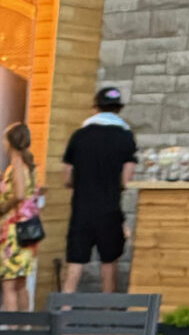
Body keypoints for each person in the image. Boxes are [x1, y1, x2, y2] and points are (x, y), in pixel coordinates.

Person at [58, 86, 135, 295]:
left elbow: (67, 177)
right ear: (118, 109)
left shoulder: (79, 136)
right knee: (109, 261)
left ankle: (62, 312)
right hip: (109, 208)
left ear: (95, 108)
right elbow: (125, 179)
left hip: (82, 207)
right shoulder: (126, 137)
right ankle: (107, 314)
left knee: (75, 262)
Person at [0, 122, 43, 311]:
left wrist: (0, 209)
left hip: (13, 232)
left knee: (8, 284)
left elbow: (19, 194)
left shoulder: (16, 164)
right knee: (21, 285)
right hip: (27, 230)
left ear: (9, 142)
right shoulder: (28, 165)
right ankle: (24, 327)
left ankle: (12, 330)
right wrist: (3, 180)